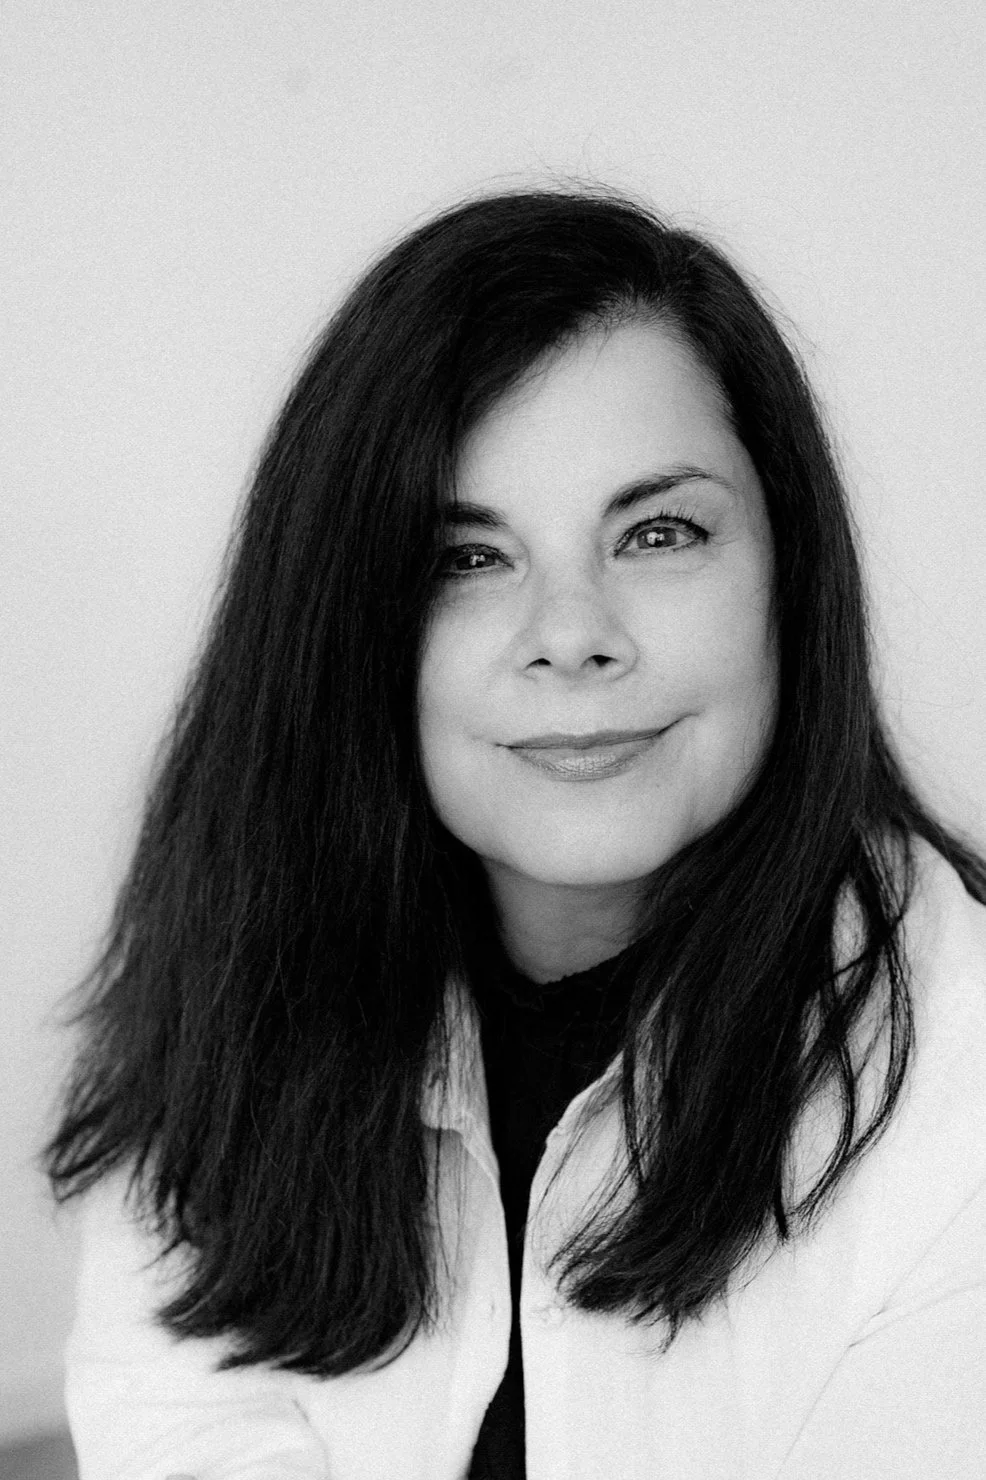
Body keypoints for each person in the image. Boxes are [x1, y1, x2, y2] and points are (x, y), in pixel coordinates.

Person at [45, 186, 986, 1480]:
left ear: (788, 576)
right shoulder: (228, 994)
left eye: (657, 532)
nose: (571, 631)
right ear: (344, 624)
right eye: (465, 559)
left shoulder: (965, 1067)